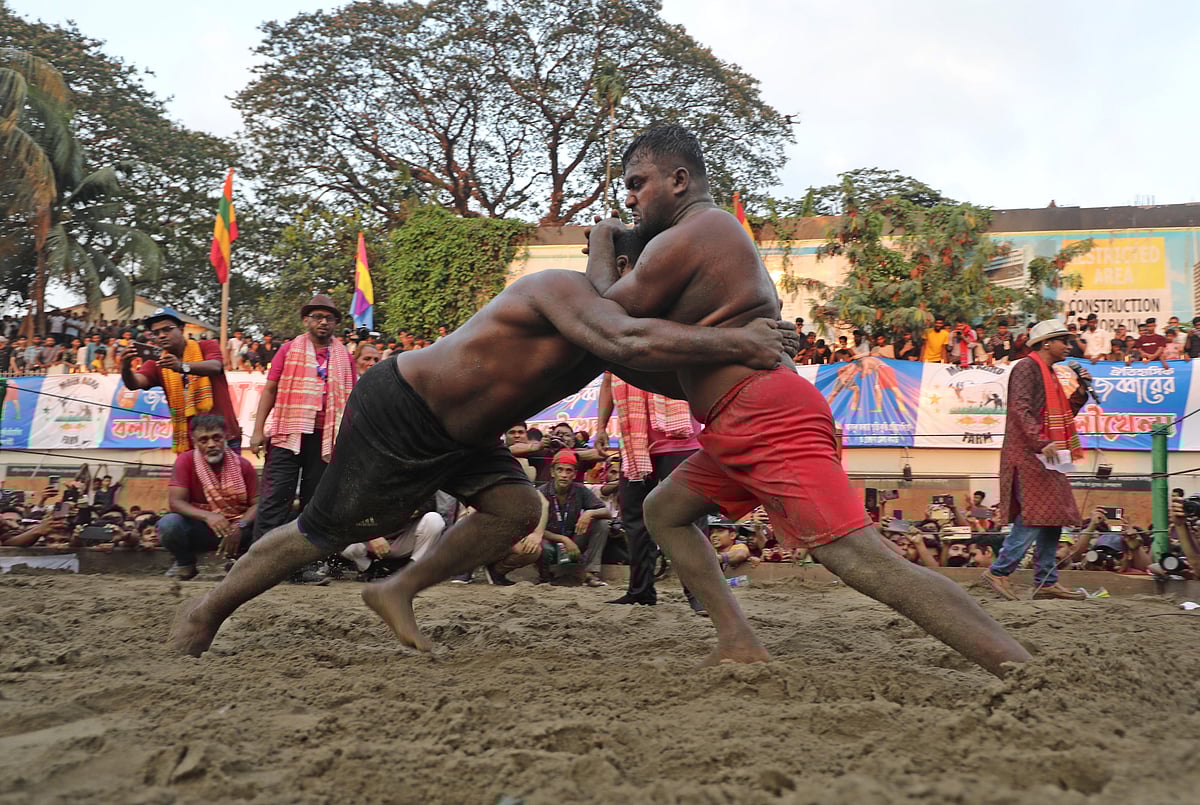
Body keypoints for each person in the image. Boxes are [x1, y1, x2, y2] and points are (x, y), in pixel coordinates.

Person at [169, 223, 796, 656]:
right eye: (652, 277)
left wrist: (766, 371)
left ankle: (397, 589)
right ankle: (209, 611)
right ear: (630, 270)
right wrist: (740, 341)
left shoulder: (611, 327)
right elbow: (627, 336)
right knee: (327, 532)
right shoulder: (562, 292)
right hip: (404, 407)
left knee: (518, 507)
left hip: (468, 435)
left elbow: (668, 370)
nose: (659, 295)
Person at [583, 124, 1029, 676]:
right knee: (664, 511)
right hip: (741, 417)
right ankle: (737, 640)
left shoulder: (701, 229)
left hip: (765, 416)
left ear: (678, 180)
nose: (629, 198)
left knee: (859, 559)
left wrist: (601, 241)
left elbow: (605, 314)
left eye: (637, 182)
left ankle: (1017, 665)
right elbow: (654, 355)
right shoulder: (700, 239)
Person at [249, 294, 356, 583]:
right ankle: (258, 566)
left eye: (329, 317)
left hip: (325, 439)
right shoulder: (287, 349)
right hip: (288, 431)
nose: (323, 322)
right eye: (317, 316)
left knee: (313, 504)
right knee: (275, 497)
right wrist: (259, 430)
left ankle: (301, 567)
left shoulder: (345, 356)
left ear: (335, 323)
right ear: (306, 320)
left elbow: (353, 398)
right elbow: (270, 390)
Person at [980, 320, 1090, 601]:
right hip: (1028, 454)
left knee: (1053, 516)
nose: (1068, 346)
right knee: (1034, 516)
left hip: (1046, 455)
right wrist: (1041, 442)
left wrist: (1081, 391)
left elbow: (1063, 413)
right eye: (1063, 341)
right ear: (1046, 344)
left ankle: (1046, 581)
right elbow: (1020, 409)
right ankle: (998, 572)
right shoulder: (1026, 368)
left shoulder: (1050, 374)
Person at [595, 365, 705, 611]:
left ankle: (701, 594)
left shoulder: (674, 330)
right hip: (635, 442)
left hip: (680, 438)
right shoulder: (618, 333)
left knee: (690, 516)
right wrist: (601, 427)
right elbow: (608, 379)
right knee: (635, 519)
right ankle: (640, 590)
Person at [119, 307, 242, 452]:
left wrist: (181, 366)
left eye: (167, 329)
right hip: (190, 443)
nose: (161, 335)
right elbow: (134, 384)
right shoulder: (157, 363)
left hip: (223, 437)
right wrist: (125, 367)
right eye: (156, 333)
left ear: (181, 329)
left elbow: (215, 366)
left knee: (231, 476)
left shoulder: (206, 346)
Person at [159, 415, 258, 580]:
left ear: (226, 436)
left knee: (269, 523)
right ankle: (185, 563)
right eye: (204, 440)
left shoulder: (244, 465)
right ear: (195, 441)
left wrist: (239, 526)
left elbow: (257, 504)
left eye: (216, 438)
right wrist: (209, 516)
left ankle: (242, 562)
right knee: (169, 524)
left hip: (238, 531)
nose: (211, 444)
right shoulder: (185, 461)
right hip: (203, 528)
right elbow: (175, 502)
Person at [537, 450, 611, 586]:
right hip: (551, 541)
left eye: (568, 471)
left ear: (574, 474)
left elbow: (606, 512)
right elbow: (537, 529)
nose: (564, 475)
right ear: (552, 472)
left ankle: (591, 573)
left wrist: (589, 513)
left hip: (575, 541)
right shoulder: (542, 492)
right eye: (560, 470)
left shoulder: (580, 490)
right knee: (543, 548)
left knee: (602, 523)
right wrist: (563, 540)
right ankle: (546, 577)